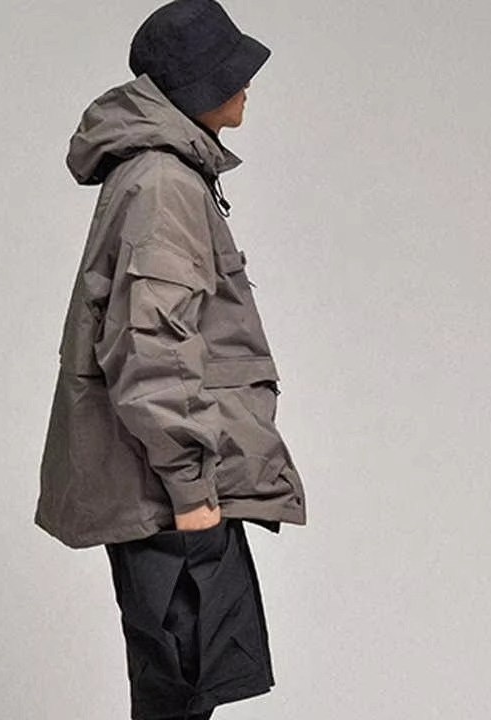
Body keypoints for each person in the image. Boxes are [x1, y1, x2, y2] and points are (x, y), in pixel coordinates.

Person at [35, 1, 307, 718]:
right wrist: (192, 491)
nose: (245, 84)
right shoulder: (163, 185)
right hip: (167, 492)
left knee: (180, 692)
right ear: (193, 86)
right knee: (181, 695)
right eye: (230, 71)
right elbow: (150, 343)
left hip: (162, 483)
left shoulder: (163, 174)